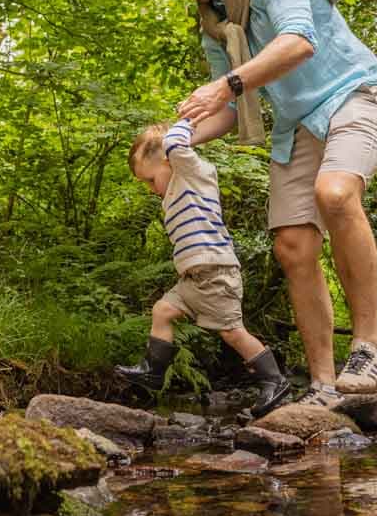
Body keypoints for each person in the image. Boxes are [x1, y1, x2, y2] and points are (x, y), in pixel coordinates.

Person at [148, 0, 377, 405]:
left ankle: (368, 348)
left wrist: (228, 85)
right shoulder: (213, 21)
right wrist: (173, 141)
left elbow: (299, 41)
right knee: (293, 245)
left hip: (354, 97)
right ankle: (323, 385)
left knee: (336, 194)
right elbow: (227, 108)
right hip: (297, 124)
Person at [115, 119, 292, 419]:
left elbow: (174, 143)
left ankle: (274, 380)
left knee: (233, 333)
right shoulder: (172, 192)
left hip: (216, 273)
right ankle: (153, 371)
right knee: (162, 311)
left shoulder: (194, 173)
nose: (149, 188)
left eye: (149, 179)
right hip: (193, 280)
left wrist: (188, 119)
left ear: (169, 161)